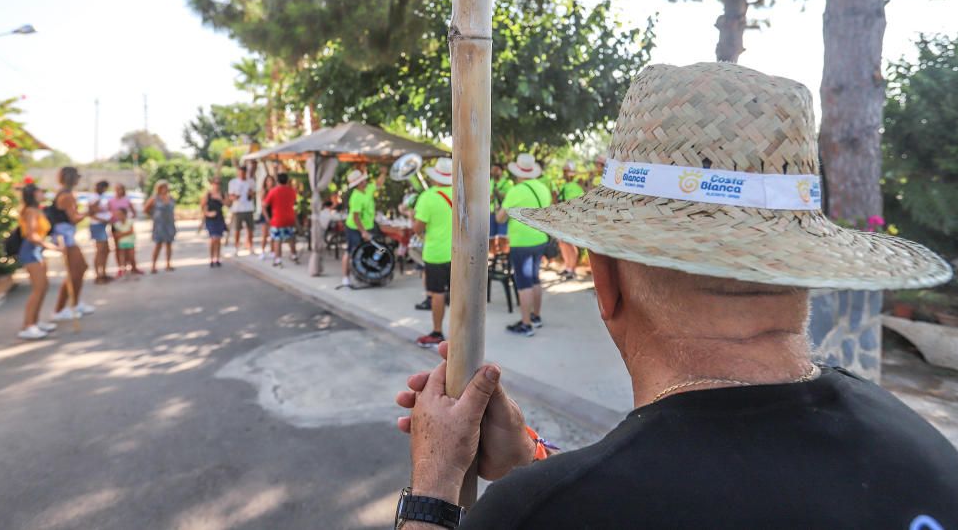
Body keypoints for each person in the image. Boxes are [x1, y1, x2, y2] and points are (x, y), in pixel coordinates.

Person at [392, 63, 958, 529]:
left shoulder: (540, 515)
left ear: (605, 279)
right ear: (802, 266)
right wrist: (532, 459)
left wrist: (434, 491)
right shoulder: (923, 453)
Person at [495, 153, 552, 336]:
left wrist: (501, 210)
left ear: (517, 171)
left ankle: (526, 324)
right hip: (540, 240)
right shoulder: (543, 188)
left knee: (524, 283)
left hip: (522, 242)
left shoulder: (515, 191)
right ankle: (536, 316)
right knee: (535, 278)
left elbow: (500, 218)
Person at [413, 158, 454, 348]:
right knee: (458, 295)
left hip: (436, 253)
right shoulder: (461, 193)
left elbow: (417, 228)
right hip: (458, 254)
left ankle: (437, 332)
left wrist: (410, 216)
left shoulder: (428, 197)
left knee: (437, 294)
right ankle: (461, 334)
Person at [49, 166, 96, 321]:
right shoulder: (67, 196)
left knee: (80, 268)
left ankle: (74, 303)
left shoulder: (65, 194)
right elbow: (73, 219)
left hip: (67, 234)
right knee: (74, 271)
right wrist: (89, 212)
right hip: (65, 236)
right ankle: (59, 309)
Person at [16, 184, 60, 340]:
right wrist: (51, 246)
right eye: (41, 191)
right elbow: (31, 235)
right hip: (31, 252)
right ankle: (28, 326)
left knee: (43, 287)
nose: (43, 193)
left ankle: (34, 322)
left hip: (37, 251)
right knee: (38, 289)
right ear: (34, 194)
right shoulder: (30, 211)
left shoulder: (36, 210)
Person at [340, 166, 386, 287]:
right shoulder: (356, 197)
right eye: (363, 180)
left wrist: (383, 174)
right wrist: (363, 232)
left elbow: (378, 184)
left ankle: (368, 274)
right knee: (352, 251)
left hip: (369, 225)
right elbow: (356, 217)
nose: (366, 181)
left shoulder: (369, 188)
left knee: (376, 248)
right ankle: (345, 277)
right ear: (359, 183)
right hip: (354, 228)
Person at [555, 161, 585, 280]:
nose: (565, 173)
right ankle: (567, 267)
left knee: (570, 244)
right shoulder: (563, 185)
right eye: (564, 171)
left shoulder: (575, 187)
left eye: (567, 171)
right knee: (562, 243)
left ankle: (572, 270)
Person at [263, 172, 298, 267]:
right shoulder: (291, 191)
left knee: (277, 239)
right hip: (289, 218)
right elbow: (295, 203)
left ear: (277, 181)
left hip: (277, 219)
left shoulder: (273, 191)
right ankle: (294, 255)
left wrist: (267, 218)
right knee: (291, 238)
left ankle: (278, 259)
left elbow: (264, 205)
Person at [144, 179, 176, 273]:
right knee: (158, 245)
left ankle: (168, 264)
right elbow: (145, 209)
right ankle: (153, 266)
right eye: (162, 187)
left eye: (165, 187)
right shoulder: (154, 198)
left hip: (169, 224)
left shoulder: (171, 198)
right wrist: (153, 216)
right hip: (159, 225)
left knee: (169, 244)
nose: (164, 189)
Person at [108, 183, 139, 278]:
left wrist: (128, 220)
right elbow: (108, 212)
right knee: (118, 248)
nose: (118, 191)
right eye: (117, 189)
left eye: (120, 189)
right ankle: (120, 268)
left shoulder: (127, 200)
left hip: (125, 225)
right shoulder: (111, 201)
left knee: (129, 248)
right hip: (115, 225)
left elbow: (133, 212)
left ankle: (133, 267)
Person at [88, 180, 113, 284]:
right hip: (97, 225)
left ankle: (103, 272)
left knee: (106, 250)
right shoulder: (94, 197)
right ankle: (98, 275)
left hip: (103, 225)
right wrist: (102, 220)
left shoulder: (103, 197)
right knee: (100, 250)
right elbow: (91, 212)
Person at [227, 165, 256, 256]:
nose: (241, 174)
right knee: (237, 230)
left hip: (248, 208)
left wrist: (250, 194)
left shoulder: (250, 182)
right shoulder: (233, 182)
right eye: (240, 172)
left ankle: (250, 247)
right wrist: (235, 197)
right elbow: (230, 196)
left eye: (243, 173)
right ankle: (236, 248)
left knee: (250, 229)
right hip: (237, 209)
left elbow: (253, 195)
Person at [201, 177, 227, 268]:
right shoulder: (208, 195)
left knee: (219, 239)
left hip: (219, 218)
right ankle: (211, 258)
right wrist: (208, 213)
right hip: (211, 219)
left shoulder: (222, 194)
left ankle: (217, 258)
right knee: (213, 239)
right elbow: (202, 206)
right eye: (215, 183)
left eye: (218, 184)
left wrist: (221, 199)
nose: (217, 185)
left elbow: (228, 204)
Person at [488, 164, 512, 255]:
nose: (494, 171)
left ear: (502, 171)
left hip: (502, 213)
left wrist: (499, 194)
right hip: (491, 212)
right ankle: (494, 256)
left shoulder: (507, 183)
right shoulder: (490, 182)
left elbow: (510, 197)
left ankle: (505, 255)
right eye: (492, 169)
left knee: (503, 236)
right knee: (491, 237)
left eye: (497, 169)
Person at [111, 208, 139, 275]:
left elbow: (131, 231)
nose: (119, 216)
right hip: (121, 243)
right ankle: (123, 270)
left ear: (125, 214)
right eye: (118, 214)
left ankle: (134, 268)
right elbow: (115, 235)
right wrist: (126, 233)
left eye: (121, 214)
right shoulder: (115, 224)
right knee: (123, 257)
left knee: (132, 256)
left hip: (130, 242)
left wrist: (121, 234)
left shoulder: (130, 221)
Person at [257, 174, 277, 261]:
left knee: (273, 235)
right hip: (265, 214)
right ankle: (262, 251)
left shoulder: (275, 191)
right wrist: (267, 217)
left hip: (274, 214)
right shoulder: (264, 192)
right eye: (268, 180)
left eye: (271, 180)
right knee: (265, 234)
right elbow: (263, 206)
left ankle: (273, 251)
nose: (270, 182)